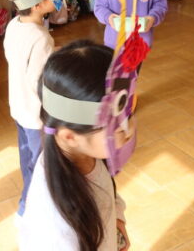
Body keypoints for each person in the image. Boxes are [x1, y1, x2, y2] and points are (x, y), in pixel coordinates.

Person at [19, 40, 130, 251]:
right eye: (115, 127)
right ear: (70, 136)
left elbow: (107, 193)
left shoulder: (86, 153)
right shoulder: (55, 227)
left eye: (127, 116)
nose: (126, 133)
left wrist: (117, 219)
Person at [0, 0, 56, 216]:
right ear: (38, 5)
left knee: (28, 161)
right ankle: (28, 210)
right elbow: (40, 83)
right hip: (36, 115)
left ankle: (28, 205)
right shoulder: (41, 37)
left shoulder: (14, 24)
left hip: (19, 106)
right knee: (41, 167)